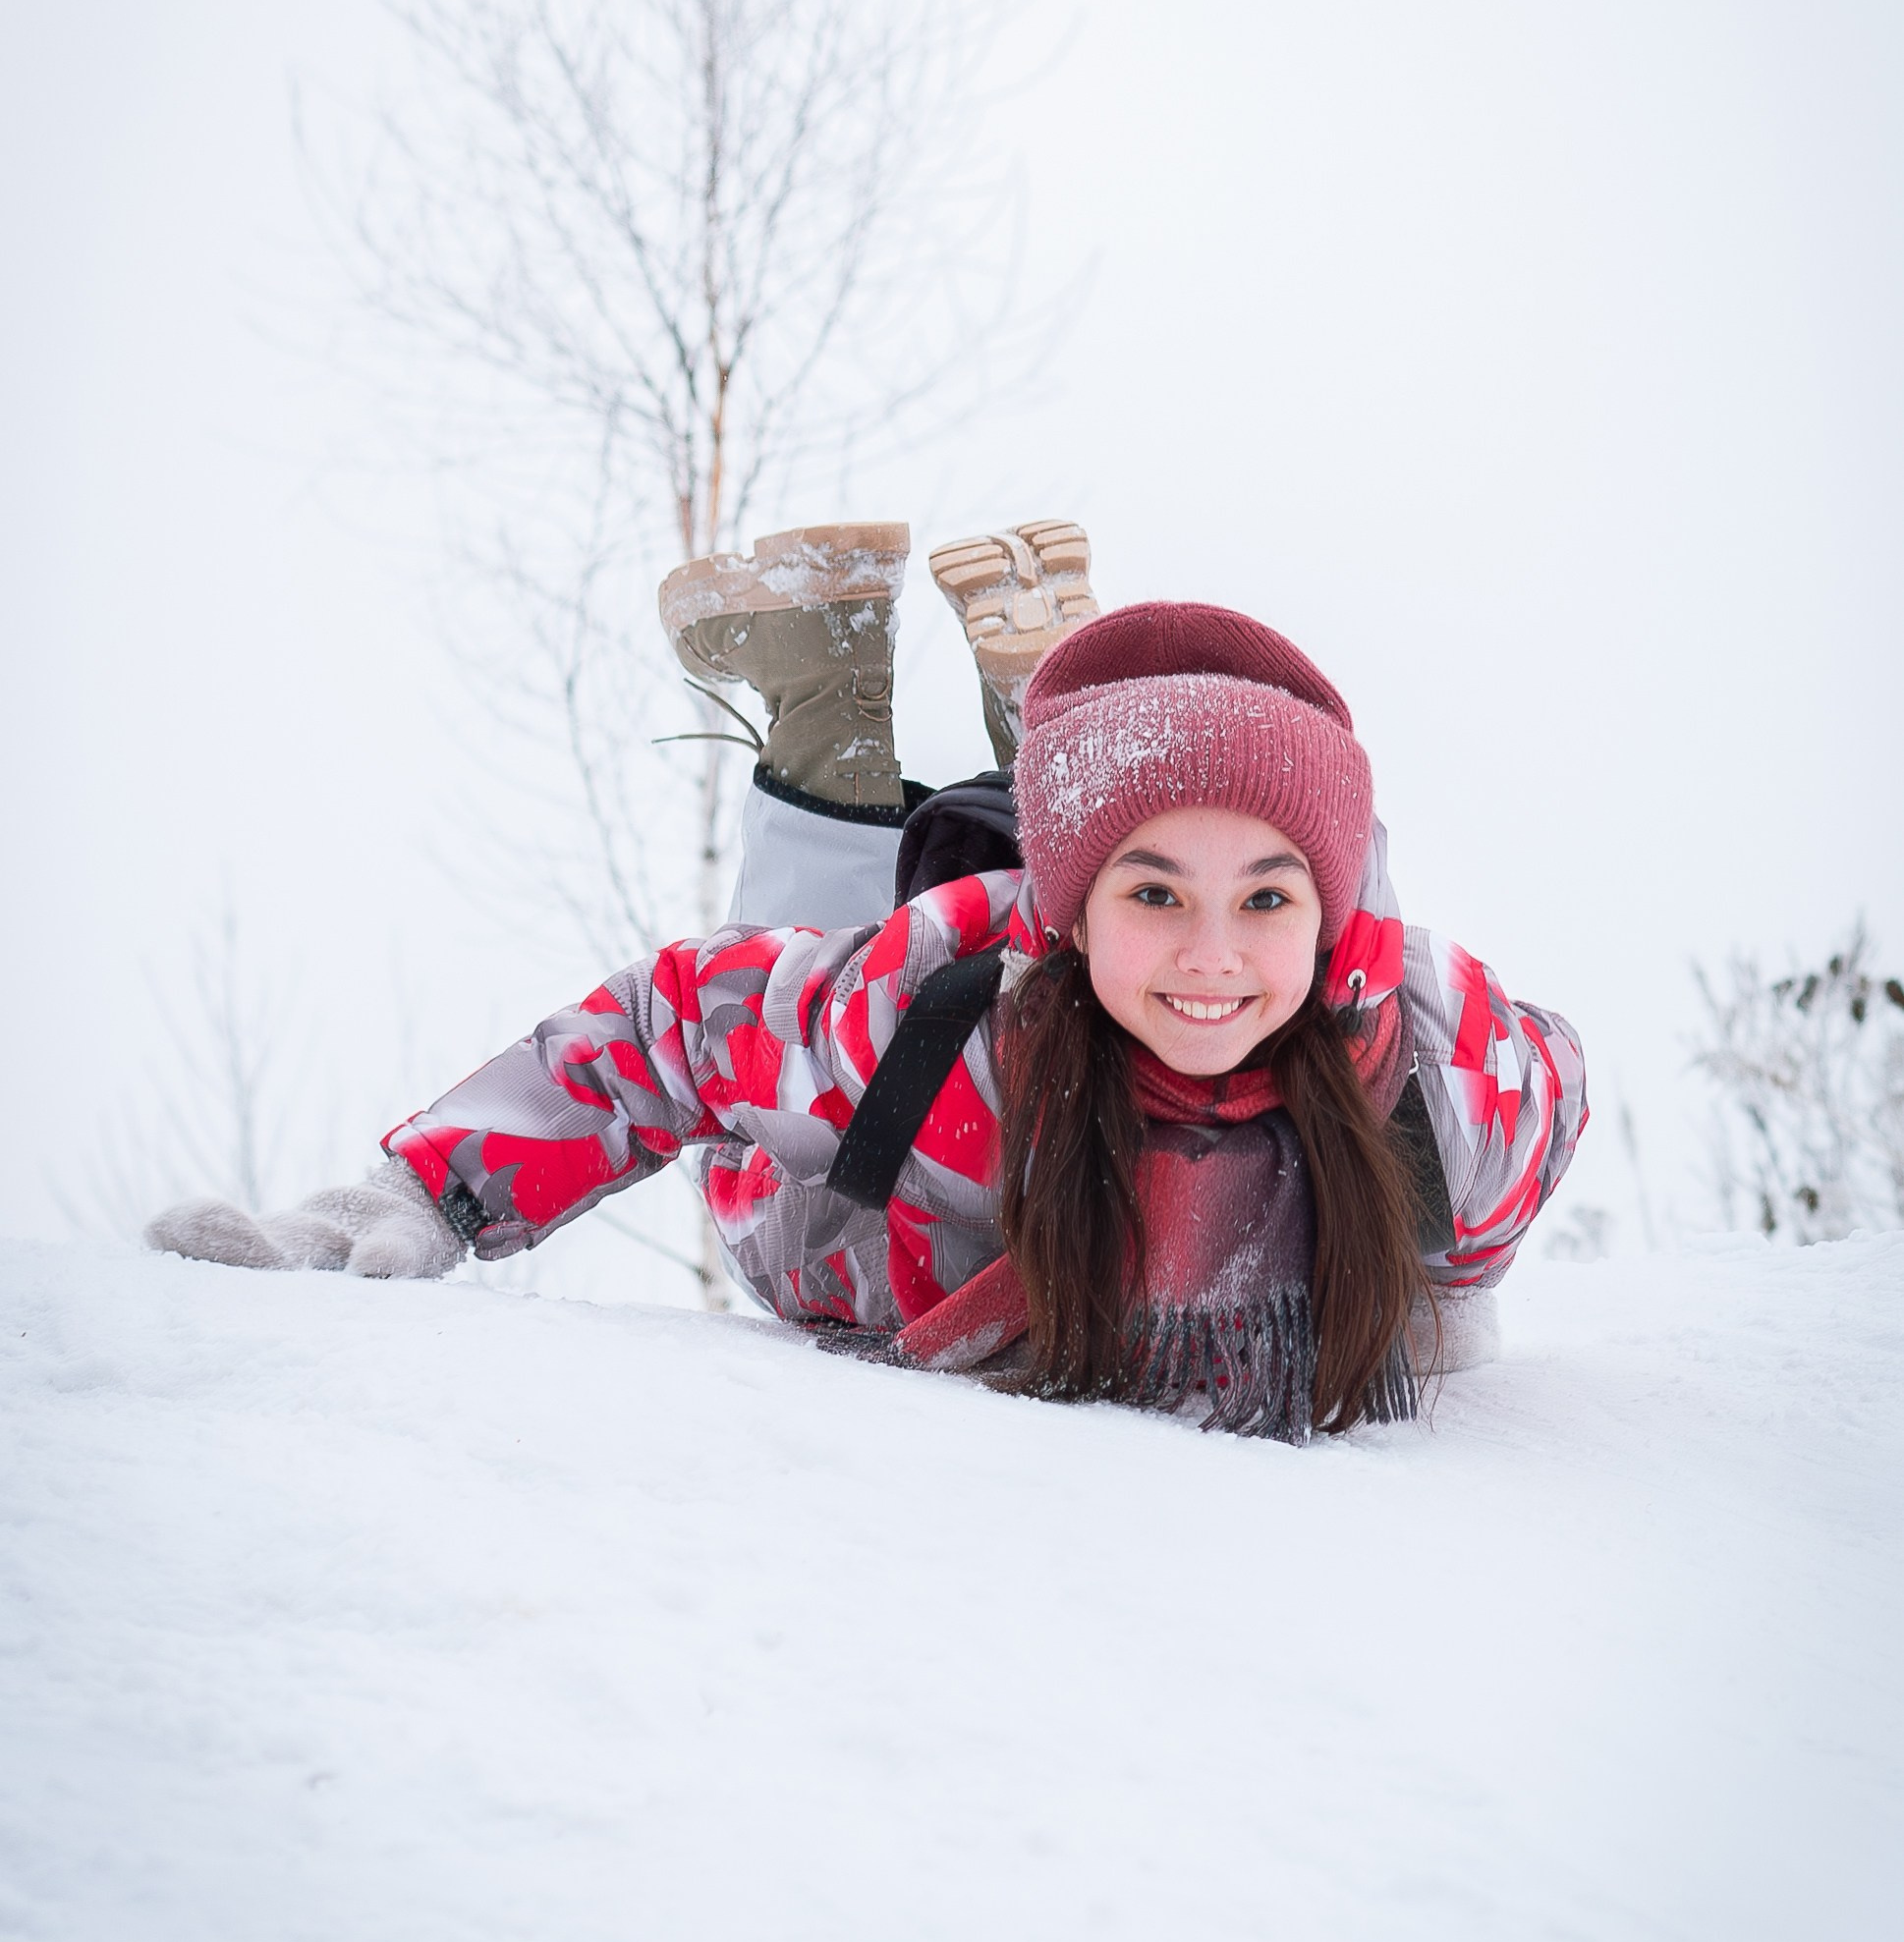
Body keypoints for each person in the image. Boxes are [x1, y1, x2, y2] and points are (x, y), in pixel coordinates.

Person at [145, 520, 1587, 1441]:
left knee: (1299, 988)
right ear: (1070, 911)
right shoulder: (933, 1020)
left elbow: (1549, 1073)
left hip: (1297, 993)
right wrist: (417, 1197)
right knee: (821, 938)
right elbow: (673, 1025)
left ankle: (1068, 731)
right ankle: (839, 701)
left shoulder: (1447, 1084)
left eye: (1268, 898)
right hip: (860, 1194)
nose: (1213, 953)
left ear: (1335, 917)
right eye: (1152, 893)